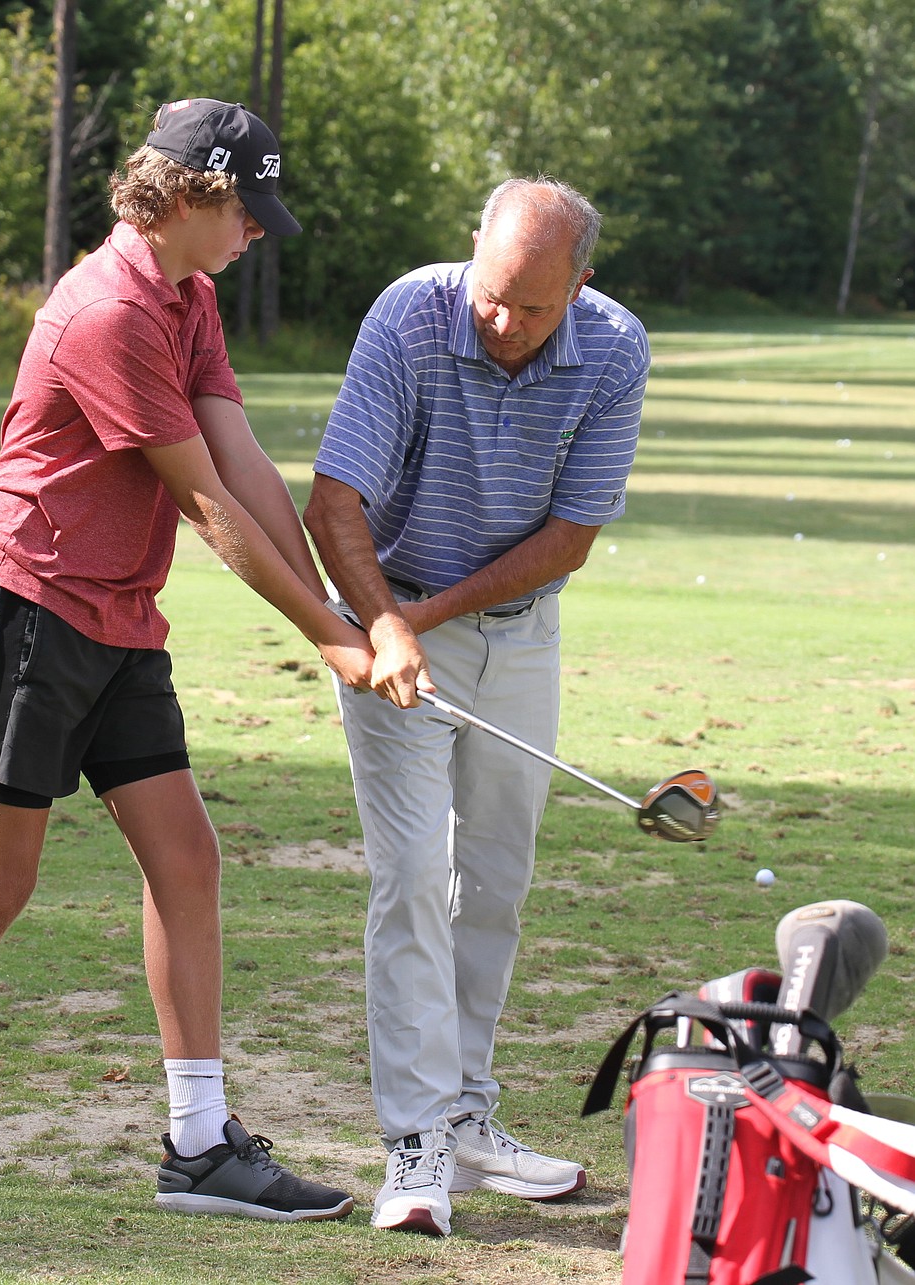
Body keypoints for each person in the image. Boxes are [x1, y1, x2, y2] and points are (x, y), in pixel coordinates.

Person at [0, 98, 373, 1222]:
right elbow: (206, 506)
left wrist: (336, 614)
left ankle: (199, 1145)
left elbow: (244, 460)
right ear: (180, 196)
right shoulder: (108, 311)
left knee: (188, 858)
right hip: (27, 604)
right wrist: (325, 636)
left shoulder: (189, 294)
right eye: (244, 209)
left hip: (118, 613)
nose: (257, 230)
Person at [303, 176, 650, 1237]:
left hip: (514, 625)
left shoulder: (617, 347)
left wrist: (435, 613)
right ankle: (414, 1144)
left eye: (534, 307)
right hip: (383, 613)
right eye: (494, 295)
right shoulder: (413, 315)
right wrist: (390, 623)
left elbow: (571, 533)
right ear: (473, 254)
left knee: (492, 881)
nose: (503, 323)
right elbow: (334, 499)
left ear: (580, 285)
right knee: (412, 874)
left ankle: (466, 1114)